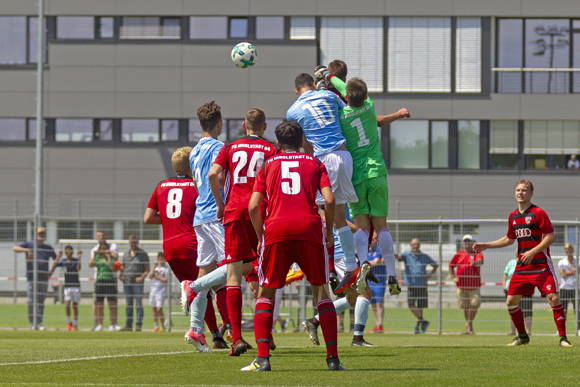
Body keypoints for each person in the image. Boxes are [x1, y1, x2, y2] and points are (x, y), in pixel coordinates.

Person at [241, 120, 345, 372]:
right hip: (309, 229)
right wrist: (329, 230)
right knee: (321, 293)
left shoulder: (268, 164)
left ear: (278, 143)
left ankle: (262, 359)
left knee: (266, 294)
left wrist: (260, 234)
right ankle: (333, 360)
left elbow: (253, 206)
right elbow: (329, 200)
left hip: (276, 229)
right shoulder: (315, 162)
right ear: (302, 141)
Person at [313, 68, 409, 297]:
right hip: (376, 171)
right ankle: (393, 275)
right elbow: (349, 91)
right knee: (382, 225)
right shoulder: (369, 107)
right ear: (365, 97)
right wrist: (330, 77)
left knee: (361, 225)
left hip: (355, 176)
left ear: (347, 97)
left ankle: (363, 261)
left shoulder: (341, 117)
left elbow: (341, 94)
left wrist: (325, 78)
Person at [208, 107, 277, 356]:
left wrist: (220, 204)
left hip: (235, 212)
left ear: (243, 125)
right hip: (261, 214)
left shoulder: (229, 147)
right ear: (265, 127)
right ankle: (265, 335)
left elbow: (212, 174)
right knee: (265, 272)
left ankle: (236, 337)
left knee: (233, 274)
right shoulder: (272, 150)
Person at [473, 180, 572, 347]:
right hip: (522, 267)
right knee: (510, 302)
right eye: (518, 190)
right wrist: (486, 245)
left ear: (531, 194)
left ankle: (563, 338)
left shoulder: (538, 213)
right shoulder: (513, 216)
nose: (520, 193)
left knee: (553, 298)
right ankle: (522, 336)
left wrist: (533, 251)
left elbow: (550, 237)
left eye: (524, 190)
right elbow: (509, 239)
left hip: (541, 265)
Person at [286, 73, 361, 294]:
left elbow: (303, 144)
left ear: (297, 91)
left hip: (322, 160)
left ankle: (297, 264)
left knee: (309, 210)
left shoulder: (292, 110)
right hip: (344, 156)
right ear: (313, 85)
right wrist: (327, 86)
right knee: (339, 218)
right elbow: (346, 104)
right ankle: (351, 266)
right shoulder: (328, 95)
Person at [145, 146, 223, 352]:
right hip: (192, 242)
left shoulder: (161, 186)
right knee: (215, 285)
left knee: (201, 290)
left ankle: (213, 334)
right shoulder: (196, 186)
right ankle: (225, 332)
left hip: (170, 246)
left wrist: (172, 220)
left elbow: (148, 218)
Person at [189, 101, 230, 348]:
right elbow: (218, 175)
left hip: (200, 217)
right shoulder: (220, 148)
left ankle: (195, 328)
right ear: (219, 124)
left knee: (206, 271)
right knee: (235, 266)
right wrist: (222, 203)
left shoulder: (193, 150)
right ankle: (192, 287)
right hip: (216, 215)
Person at [13, 227, 57, 330]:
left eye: (43, 234)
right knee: (31, 300)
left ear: (45, 235)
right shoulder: (29, 244)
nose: (41, 235)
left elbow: (57, 260)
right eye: (39, 233)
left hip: (43, 278)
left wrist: (51, 271)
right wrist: (27, 250)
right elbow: (14, 248)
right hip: (31, 278)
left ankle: (39, 323)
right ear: (36, 234)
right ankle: (32, 323)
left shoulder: (48, 247)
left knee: (41, 301)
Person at [396, 238, 438, 334]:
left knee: (420, 307)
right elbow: (398, 257)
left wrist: (430, 275)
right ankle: (424, 321)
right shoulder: (407, 255)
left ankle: (418, 326)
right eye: (414, 244)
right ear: (411, 245)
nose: (416, 246)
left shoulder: (424, 256)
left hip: (422, 285)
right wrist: (390, 252)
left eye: (417, 244)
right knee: (411, 305)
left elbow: (435, 265)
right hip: (411, 285)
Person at [449, 235, 483, 334]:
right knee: (465, 306)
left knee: (474, 304)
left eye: (469, 241)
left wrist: (475, 263)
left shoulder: (477, 252)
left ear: (472, 243)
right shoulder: (458, 254)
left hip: (474, 285)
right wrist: (453, 277)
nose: (467, 243)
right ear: (463, 243)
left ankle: (469, 323)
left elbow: (480, 261)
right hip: (461, 285)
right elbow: (451, 266)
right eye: (465, 241)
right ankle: (469, 327)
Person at [119, 235, 150, 331]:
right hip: (127, 282)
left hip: (137, 282)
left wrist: (141, 277)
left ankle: (138, 324)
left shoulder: (143, 254)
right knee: (128, 304)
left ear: (137, 242)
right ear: (129, 243)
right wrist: (121, 275)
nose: (133, 244)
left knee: (138, 303)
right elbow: (123, 268)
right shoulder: (126, 254)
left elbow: (147, 270)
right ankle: (128, 324)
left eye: (134, 242)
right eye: (131, 242)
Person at [90, 231, 118, 331]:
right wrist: (95, 255)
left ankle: (112, 324)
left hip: (110, 281)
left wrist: (109, 257)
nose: (104, 250)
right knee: (99, 304)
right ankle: (99, 324)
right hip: (100, 281)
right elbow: (90, 264)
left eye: (105, 249)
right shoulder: (97, 256)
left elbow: (112, 267)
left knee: (111, 304)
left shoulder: (112, 255)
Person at [50, 245, 82, 331]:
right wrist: (58, 256)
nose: (69, 253)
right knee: (67, 304)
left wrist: (80, 257)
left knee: (75, 305)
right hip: (67, 286)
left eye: (70, 251)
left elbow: (79, 268)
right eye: (67, 251)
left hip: (76, 285)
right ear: (65, 252)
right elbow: (54, 265)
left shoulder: (75, 260)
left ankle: (75, 324)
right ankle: (69, 322)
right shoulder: (63, 261)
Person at [503, 252, 533, 335]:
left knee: (527, 309)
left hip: (525, 289)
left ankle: (528, 330)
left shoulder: (529, 262)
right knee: (513, 308)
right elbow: (505, 274)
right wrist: (504, 286)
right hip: (511, 289)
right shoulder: (511, 262)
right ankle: (513, 330)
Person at [368, 240, 387, 333]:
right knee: (373, 304)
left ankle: (380, 325)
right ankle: (377, 324)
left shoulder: (379, 249)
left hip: (379, 281)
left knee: (379, 303)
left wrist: (365, 264)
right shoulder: (367, 250)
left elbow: (376, 262)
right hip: (369, 281)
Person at [149, 252, 170, 332]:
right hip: (153, 289)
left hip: (161, 290)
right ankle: (156, 325)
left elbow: (166, 280)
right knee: (154, 308)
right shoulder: (156, 268)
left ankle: (162, 325)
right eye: (159, 259)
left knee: (159, 308)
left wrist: (158, 277)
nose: (161, 260)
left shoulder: (166, 268)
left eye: (162, 259)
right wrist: (153, 268)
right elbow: (150, 276)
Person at [558, 243, 577, 324]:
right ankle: (561, 329)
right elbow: (563, 274)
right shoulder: (561, 262)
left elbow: (577, 272)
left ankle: (578, 329)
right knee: (562, 310)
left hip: (575, 288)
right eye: (566, 249)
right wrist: (572, 272)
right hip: (564, 288)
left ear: (572, 250)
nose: (568, 251)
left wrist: (572, 263)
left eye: (569, 249)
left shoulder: (577, 260)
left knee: (577, 309)